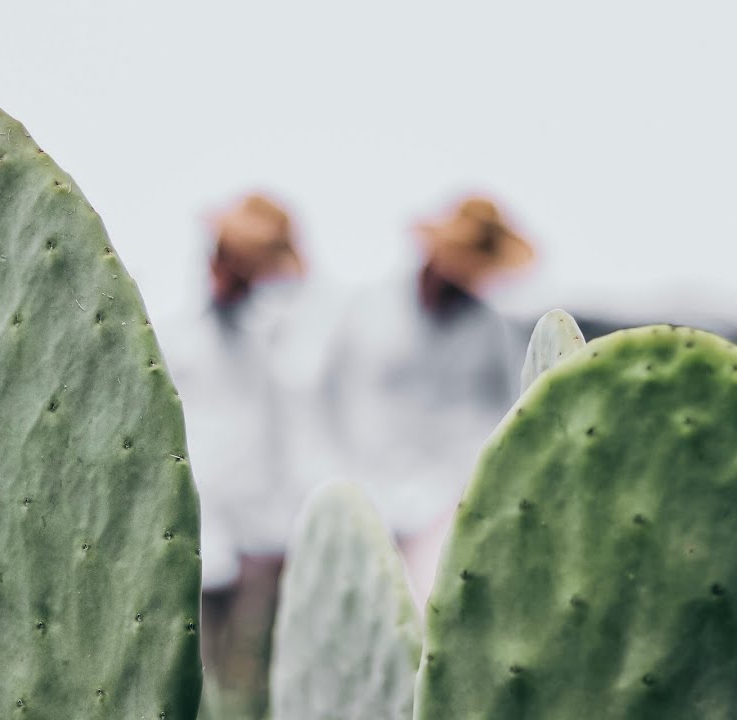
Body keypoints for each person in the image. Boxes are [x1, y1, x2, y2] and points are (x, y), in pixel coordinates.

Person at [157, 192, 330, 717]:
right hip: (188, 526)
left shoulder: (275, 337)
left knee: (250, 677)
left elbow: (290, 434)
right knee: (191, 671)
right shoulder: (172, 331)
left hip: (261, 530)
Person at [317, 194, 536, 607]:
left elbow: (508, 411)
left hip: (447, 502)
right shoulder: (367, 309)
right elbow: (326, 395)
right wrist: (333, 473)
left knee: (427, 614)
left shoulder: (491, 330)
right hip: (363, 485)